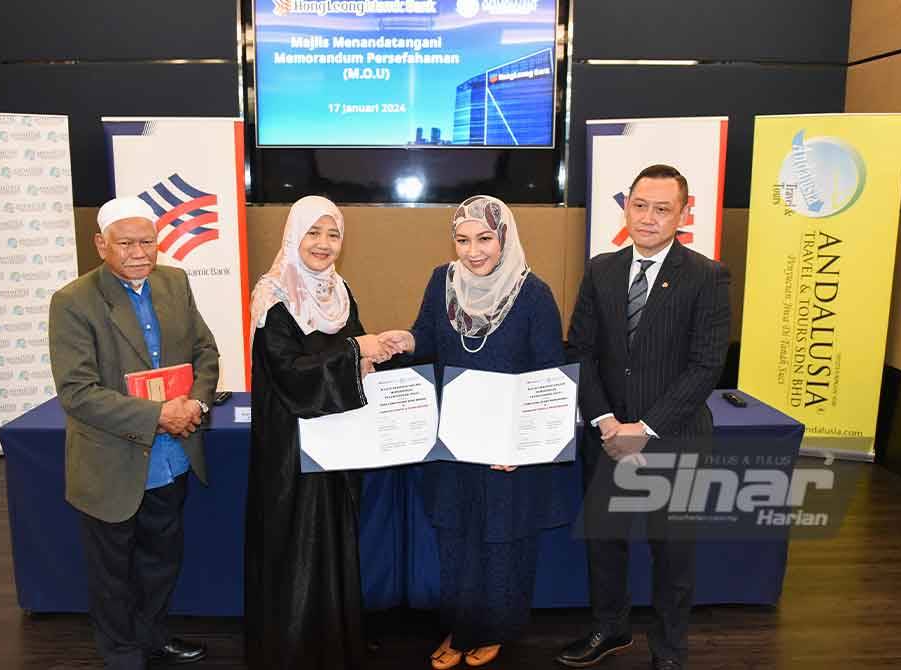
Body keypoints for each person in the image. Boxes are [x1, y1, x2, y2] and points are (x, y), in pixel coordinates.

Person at [379, 195, 569, 669]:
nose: (473, 251)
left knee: (501, 543)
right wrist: (406, 340)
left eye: (484, 238)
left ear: (504, 237)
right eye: (462, 240)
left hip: (504, 448)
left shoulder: (534, 294)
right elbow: (426, 337)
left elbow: (548, 377)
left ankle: (494, 630)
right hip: (454, 440)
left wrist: (522, 443)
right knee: (456, 540)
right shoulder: (441, 282)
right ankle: (461, 628)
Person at [555, 165, 730, 670]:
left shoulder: (707, 275)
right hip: (607, 437)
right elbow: (580, 349)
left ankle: (671, 650)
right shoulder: (601, 269)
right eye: (640, 205)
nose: (649, 218)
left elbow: (706, 365)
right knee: (605, 545)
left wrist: (645, 429)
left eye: (662, 209)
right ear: (626, 206)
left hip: (674, 438)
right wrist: (607, 421)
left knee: (673, 555)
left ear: (683, 213)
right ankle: (609, 629)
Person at [49, 196, 220, 669]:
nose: (140, 252)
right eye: (126, 243)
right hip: (111, 463)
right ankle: (122, 653)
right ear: (101, 244)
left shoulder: (175, 282)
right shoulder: (72, 301)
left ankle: (153, 635)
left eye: (148, 240)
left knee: (161, 561)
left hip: (172, 457)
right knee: (112, 572)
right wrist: (157, 416)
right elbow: (77, 393)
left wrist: (197, 403)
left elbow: (206, 352)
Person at [245, 195, 395, 670]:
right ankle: (292, 649)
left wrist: (374, 355)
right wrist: (356, 350)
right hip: (291, 447)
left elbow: (352, 347)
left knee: (334, 538)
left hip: (338, 441)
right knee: (296, 543)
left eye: (333, 235)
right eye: (314, 233)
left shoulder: (338, 289)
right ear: (294, 235)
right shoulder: (274, 294)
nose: (324, 244)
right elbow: (289, 371)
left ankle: (335, 641)